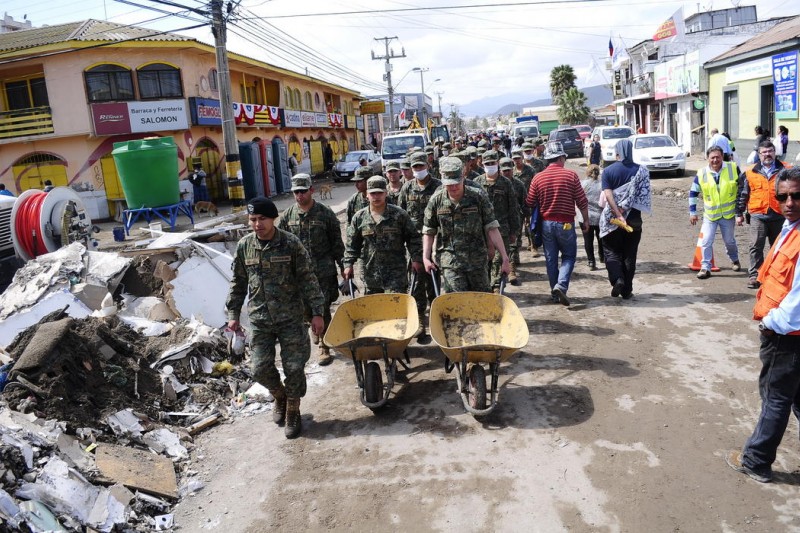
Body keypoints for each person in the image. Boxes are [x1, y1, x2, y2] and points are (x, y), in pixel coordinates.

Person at [226, 197, 324, 439]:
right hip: (260, 318)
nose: (257, 224)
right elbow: (238, 283)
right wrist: (233, 314)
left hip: (291, 317)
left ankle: (293, 409)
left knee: (294, 367)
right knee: (258, 368)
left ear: (273, 219)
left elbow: (308, 280)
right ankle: (279, 396)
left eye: (262, 219)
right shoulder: (245, 246)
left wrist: (317, 313)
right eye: (253, 220)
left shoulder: (291, 244)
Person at [726, 167, 800, 483]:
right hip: (787, 332)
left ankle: (756, 460)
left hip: (786, 334)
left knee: (776, 397)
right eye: (782, 196)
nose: (789, 203)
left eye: (796, 196)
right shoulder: (790, 228)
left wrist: (771, 322)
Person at [277, 174, 344, 367]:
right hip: (297, 274)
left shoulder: (325, 214)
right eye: (295, 192)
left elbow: (337, 244)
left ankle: (324, 345)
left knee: (321, 308)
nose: (299, 195)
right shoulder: (288, 216)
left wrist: (343, 268)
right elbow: (280, 244)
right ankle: (316, 330)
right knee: (304, 309)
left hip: (322, 271)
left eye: (302, 191)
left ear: (311, 190)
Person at [422, 157, 509, 293]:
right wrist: (425, 258)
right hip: (450, 261)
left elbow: (492, 228)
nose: (454, 187)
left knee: (481, 302)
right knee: (456, 304)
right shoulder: (436, 200)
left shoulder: (478, 196)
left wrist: (504, 257)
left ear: (463, 176)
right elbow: (429, 231)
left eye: (457, 182)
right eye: (449, 184)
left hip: (477, 259)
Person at [526, 143, 589, 306]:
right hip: (566, 224)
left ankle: (555, 293)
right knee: (568, 256)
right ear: (561, 158)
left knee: (551, 259)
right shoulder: (571, 176)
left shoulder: (537, 177)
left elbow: (530, 201)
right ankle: (561, 285)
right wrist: (586, 220)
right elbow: (582, 201)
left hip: (546, 224)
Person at [343, 176, 423, 294]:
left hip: (396, 275)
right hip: (371, 275)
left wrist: (416, 258)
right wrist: (348, 264)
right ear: (367, 195)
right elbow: (352, 245)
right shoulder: (359, 218)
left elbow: (413, 238)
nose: (376, 197)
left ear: (386, 193)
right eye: (373, 193)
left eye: (379, 193)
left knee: (396, 310)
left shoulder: (399, 215)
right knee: (375, 311)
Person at [599, 140, 652, 298]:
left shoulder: (608, 171)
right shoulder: (642, 171)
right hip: (634, 221)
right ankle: (627, 290)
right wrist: (626, 211)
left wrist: (618, 213)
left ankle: (617, 279)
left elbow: (607, 195)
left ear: (617, 153)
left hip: (612, 220)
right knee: (630, 255)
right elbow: (644, 196)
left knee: (611, 252)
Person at [737, 141, 792, 289]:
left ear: (775, 152)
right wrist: (739, 213)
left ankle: (777, 275)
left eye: (770, 151)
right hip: (758, 215)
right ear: (759, 154)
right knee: (755, 246)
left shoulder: (787, 169)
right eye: (764, 152)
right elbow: (743, 193)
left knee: (781, 247)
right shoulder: (750, 172)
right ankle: (755, 275)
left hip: (780, 215)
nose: (767, 154)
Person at [399, 154, 442, 336]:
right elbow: (400, 215)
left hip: (436, 241)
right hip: (414, 243)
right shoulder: (407, 188)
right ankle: (420, 321)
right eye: (414, 167)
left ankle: (436, 319)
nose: (418, 170)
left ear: (428, 165)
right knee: (416, 283)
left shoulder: (439, 186)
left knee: (434, 282)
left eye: (420, 166)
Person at [689, 145, 744, 279]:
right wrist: (692, 212)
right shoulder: (701, 173)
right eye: (712, 157)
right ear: (707, 158)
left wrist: (740, 212)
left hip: (728, 214)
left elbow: (743, 189)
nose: (715, 160)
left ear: (722, 157)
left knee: (729, 241)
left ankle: (734, 259)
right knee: (706, 241)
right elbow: (693, 193)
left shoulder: (733, 168)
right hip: (710, 215)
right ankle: (705, 267)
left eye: (717, 157)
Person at [474, 151, 520, 291]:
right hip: (481, 231)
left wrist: (514, 231)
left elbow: (513, 208)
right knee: (484, 260)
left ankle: (496, 287)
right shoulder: (476, 183)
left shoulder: (506, 183)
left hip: (502, 229)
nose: (490, 166)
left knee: (498, 259)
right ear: (482, 164)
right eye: (487, 164)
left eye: (492, 163)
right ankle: (486, 286)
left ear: (497, 163)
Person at [581, 164, 604, 270]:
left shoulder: (583, 184)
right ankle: (602, 257)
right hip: (600, 217)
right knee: (602, 239)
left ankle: (591, 262)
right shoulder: (602, 185)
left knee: (588, 240)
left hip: (585, 217)